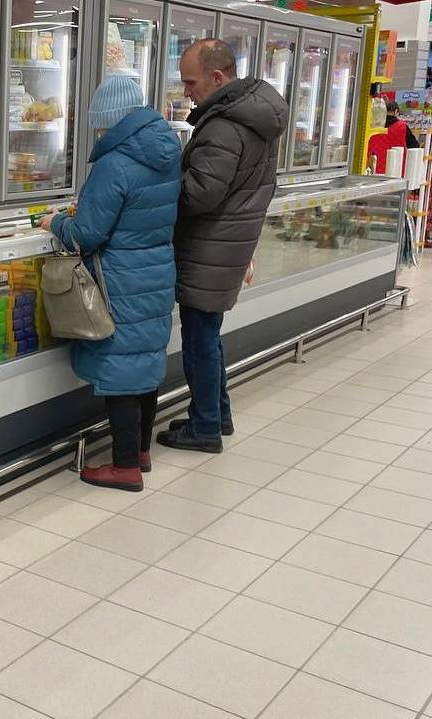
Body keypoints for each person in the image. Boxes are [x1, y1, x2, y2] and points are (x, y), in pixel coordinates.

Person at [38, 76, 180, 492]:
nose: (99, 132)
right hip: (156, 271)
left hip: (120, 278)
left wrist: (55, 222)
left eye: (100, 125)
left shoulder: (115, 163)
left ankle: (124, 467)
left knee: (122, 370)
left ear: (111, 120)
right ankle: (141, 452)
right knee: (145, 361)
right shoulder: (166, 152)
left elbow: (86, 235)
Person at [156, 38, 287, 454]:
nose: (186, 92)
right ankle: (216, 415)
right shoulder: (250, 117)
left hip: (209, 247)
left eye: (190, 82)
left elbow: (198, 194)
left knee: (199, 341)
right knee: (208, 337)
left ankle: (205, 427)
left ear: (216, 77)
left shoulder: (224, 126)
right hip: (227, 244)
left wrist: (159, 187)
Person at [367, 99, 419, 173]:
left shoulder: (372, 125)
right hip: (395, 170)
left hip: (372, 169)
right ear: (396, 111)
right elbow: (414, 146)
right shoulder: (402, 126)